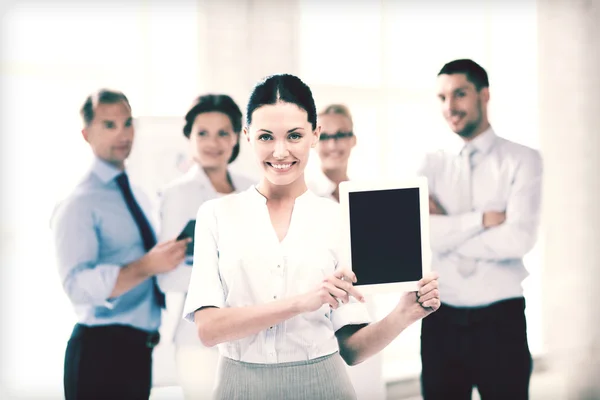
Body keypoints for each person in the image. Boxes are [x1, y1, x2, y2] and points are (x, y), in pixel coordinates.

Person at [182, 74, 441, 400]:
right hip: (238, 387)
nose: (280, 151)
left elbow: (352, 350)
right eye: (265, 137)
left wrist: (404, 314)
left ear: (314, 135)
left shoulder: (339, 219)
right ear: (246, 136)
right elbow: (209, 329)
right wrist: (303, 302)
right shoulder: (215, 215)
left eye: (294, 135)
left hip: (323, 385)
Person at [51, 89, 190, 400]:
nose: (123, 133)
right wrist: (147, 266)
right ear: (87, 134)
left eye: (127, 123)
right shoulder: (79, 203)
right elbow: (76, 284)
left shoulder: (139, 195)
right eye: (109, 125)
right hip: (99, 354)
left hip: (139, 352)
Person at [418, 59, 543, 400]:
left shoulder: (523, 160)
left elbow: (519, 239)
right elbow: (419, 237)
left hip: (500, 320)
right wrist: (479, 221)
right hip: (440, 318)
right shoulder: (429, 164)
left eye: (460, 94)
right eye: (442, 97)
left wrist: (447, 232)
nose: (450, 107)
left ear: (484, 95)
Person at [156, 94, 255, 399]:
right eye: (203, 133)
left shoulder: (252, 190)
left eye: (223, 132)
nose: (213, 142)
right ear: (189, 136)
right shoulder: (176, 195)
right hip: (198, 341)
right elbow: (168, 276)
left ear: (238, 137)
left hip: (251, 332)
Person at [307, 103, 385, 400]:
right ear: (314, 141)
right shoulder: (306, 197)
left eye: (342, 135)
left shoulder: (369, 197)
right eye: (326, 136)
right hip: (320, 313)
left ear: (354, 140)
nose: (334, 144)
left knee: (366, 387)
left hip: (364, 306)